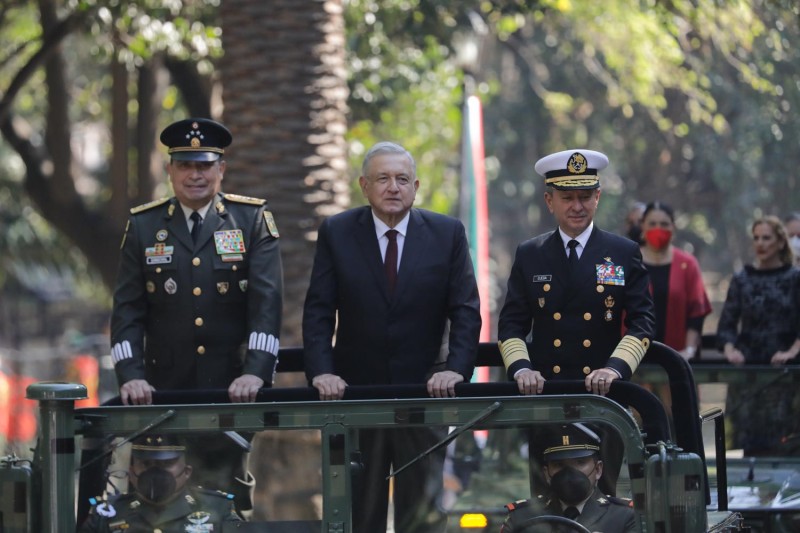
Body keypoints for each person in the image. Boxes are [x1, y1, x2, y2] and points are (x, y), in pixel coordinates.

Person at [302, 141, 482, 532]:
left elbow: (465, 310)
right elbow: (318, 309)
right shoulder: (337, 231)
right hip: (356, 394)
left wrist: (457, 370)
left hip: (426, 395)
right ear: (364, 185)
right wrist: (321, 372)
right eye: (382, 178)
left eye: (402, 179)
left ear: (416, 186)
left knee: (421, 514)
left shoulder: (446, 233)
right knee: (359, 512)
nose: (393, 187)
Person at [107, 117, 283, 510]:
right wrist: (131, 377)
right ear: (169, 171)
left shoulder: (250, 221)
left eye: (204, 165)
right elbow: (127, 313)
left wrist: (255, 371)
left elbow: (266, 306)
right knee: (155, 504)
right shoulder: (144, 225)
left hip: (231, 391)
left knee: (226, 503)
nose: (195, 175)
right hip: (160, 394)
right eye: (185, 165)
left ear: (221, 169)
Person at [497, 148, 655, 495]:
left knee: (604, 503)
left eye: (585, 196)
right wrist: (521, 370)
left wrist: (614, 369)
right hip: (546, 398)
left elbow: (643, 321)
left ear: (598, 197)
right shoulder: (531, 253)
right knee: (546, 504)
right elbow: (511, 324)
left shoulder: (622, 251)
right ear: (549, 200)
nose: (577, 206)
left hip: (603, 399)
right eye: (567, 197)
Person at [716, 216, 800, 456]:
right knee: (749, 443)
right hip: (748, 372)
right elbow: (727, 325)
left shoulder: (794, 278)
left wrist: (792, 351)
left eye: (767, 238)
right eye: (756, 238)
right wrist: (731, 350)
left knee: (785, 442)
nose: (761, 243)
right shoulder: (742, 279)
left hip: (784, 373)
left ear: (780, 242)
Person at [79, 434, 243, 532]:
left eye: (166, 464)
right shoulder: (107, 514)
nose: (155, 472)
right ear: (131, 473)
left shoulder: (218, 509)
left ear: (187, 472)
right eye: (146, 464)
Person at [500, 423, 637, 533]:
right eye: (559, 464)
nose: (570, 473)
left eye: (580, 462)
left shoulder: (624, 516)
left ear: (598, 469)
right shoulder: (521, 517)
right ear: (547, 473)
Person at [639, 201, 712, 360]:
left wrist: (689, 350)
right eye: (652, 223)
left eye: (664, 224)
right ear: (642, 226)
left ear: (673, 228)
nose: (658, 229)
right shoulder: (629, 261)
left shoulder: (688, 264)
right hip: (635, 360)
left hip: (677, 357)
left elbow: (696, 312)